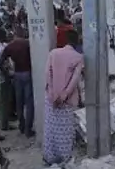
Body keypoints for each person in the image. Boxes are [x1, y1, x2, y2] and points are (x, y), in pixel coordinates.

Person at [43, 30, 84, 166]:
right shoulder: (78, 57)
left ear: (66, 40)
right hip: (67, 101)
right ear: (77, 41)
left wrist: (53, 94)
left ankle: (50, 157)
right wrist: (64, 95)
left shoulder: (53, 53)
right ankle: (65, 160)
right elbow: (74, 80)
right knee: (66, 132)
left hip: (51, 99)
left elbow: (48, 75)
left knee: (51, 129)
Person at [1, 27, 34, 137]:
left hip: (17, 74)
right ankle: (28, 129)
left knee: (19, 102)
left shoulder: (10, 46)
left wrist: (7, 73)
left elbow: (0, 62)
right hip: (28, 73)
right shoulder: (28, 44)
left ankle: (22, 126)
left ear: (15, 34)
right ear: (23, 33)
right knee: (29, 103)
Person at [0, 28, 13, 131]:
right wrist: (7, 74)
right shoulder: (1, 48)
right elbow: (1, 64)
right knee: (4, 101)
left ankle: (2, 123)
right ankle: (4, 124)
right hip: (3, 77)